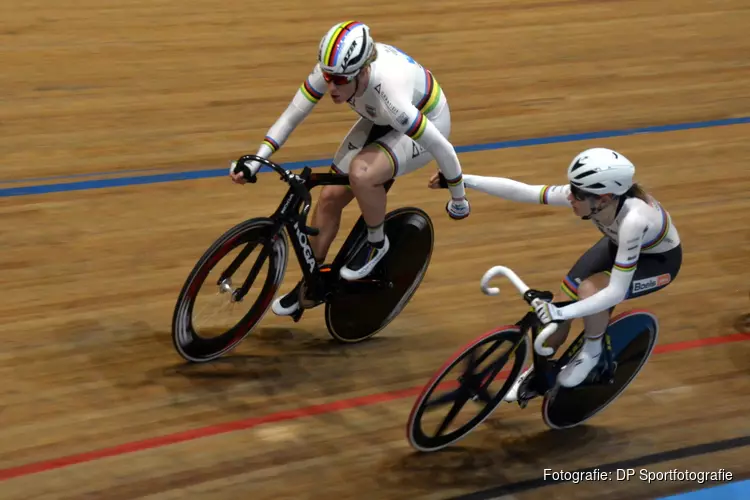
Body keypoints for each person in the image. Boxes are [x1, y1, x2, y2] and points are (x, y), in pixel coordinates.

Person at [230, 20, 470, 317]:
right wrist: (257, 158)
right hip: (380, 117)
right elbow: (292, 115)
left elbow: (442, 148)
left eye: (340, 81)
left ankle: (376, 243)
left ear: (363, 71)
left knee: (361, 174)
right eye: (328, 77)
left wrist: (458, 198)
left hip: (426, 120)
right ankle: (311, 282)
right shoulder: (336, 70)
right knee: (329, 197)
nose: (331, 87)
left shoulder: (390, 93)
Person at [429, 147, 682, 399]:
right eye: (571, 189)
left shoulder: (634, 220)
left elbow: (615, 291)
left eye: (578, 194)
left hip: (657, 262)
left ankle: (592, 352)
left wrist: (563, 311)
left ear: (604, 199)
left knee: (589, 291)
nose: (570, 197)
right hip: (617, 246)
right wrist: (461, 179)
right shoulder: (591, 198)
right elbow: (525, 192)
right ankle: (538, 372)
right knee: (559, 312)